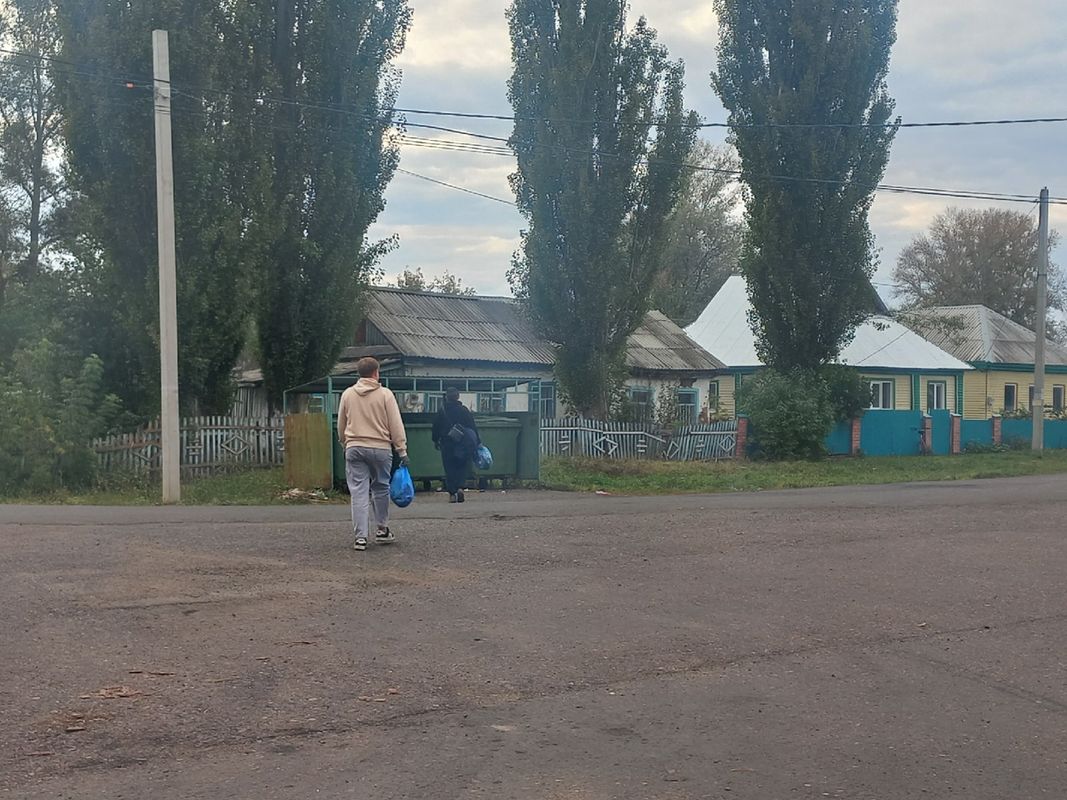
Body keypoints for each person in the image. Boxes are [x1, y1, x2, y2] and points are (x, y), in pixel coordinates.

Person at [336, 357, 408, 551]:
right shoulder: (385, 394)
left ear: (359, 373)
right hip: (380, 447)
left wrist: (345, 443)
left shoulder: (348, 394)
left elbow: (341, 423)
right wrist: (401, 450)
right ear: (376, 373)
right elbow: (395, 424)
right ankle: (382, 529)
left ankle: (360, 537)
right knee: (381, 487)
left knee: (358, 492)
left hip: (355, 446)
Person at [432, 387, 479, 503]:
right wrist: (478, 442)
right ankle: (460, 488)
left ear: (447, 397)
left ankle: (452, 494)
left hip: (447, 443)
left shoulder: (442, 411)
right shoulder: (464, 410)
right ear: (458, 397)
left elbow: (436, 427)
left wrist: (435, 440)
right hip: (462, 444)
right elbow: (472, 427)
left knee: (449, 468)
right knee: (462, 466)